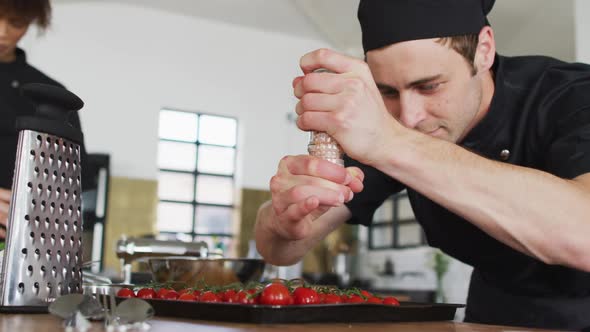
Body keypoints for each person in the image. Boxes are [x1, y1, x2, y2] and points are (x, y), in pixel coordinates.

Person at [254, 0, 590, 329]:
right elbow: (281, 250)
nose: (409, 116)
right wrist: (281, 222)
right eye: (387, 91)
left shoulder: (571, 95)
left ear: (484, 50)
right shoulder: (391, 124)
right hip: (491, 320)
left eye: (429, 86)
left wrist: (391, 143)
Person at [0, 0, 86, 239]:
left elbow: (75, 179)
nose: (2, 32)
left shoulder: (51, 94)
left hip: (26, 238)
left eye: (15, 23)